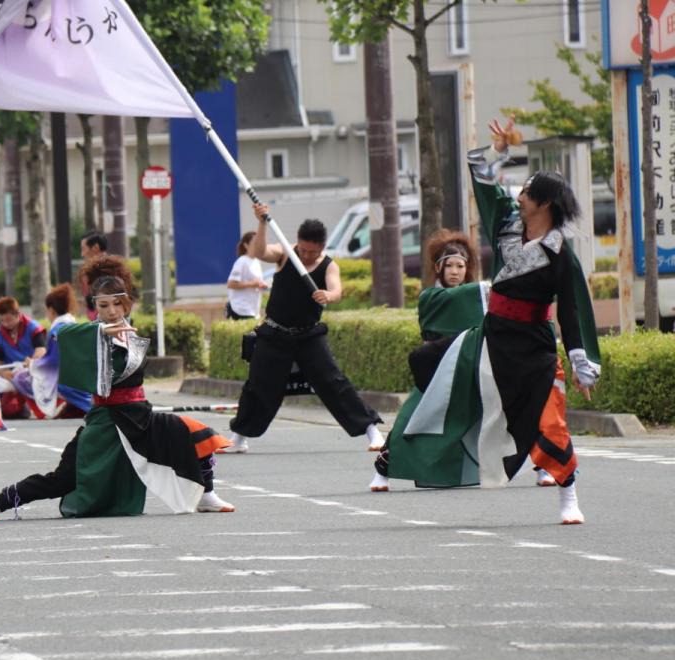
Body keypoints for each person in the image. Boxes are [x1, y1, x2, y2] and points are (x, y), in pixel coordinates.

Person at [379, 117, 600, 524]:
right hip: (491, 339)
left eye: (529, 192)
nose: (519, 195)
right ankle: (413, 455)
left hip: (533, 347)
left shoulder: (559, 254)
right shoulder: (505, 223)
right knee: (428, 367)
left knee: (548, 420)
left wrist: (580, 360)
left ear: (545, 204)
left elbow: (569, 310)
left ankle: (568, 493)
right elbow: (480, 177)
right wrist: (498, 150)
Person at [0, 256, 234, 521]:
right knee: (62, 479)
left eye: (117, 304)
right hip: (106, 422)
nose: (111, 311)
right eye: (104, 305)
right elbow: (63, 335)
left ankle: (206, 496)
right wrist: (100, 334)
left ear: (126, 304)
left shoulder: (130, 332)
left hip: (140, 418)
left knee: (195, 434)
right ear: (95, 307)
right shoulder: (92, 334)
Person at [223, 208, 384, 454]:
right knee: (258, 385)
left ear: (322, 247)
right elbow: (258, 252)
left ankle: (372, 430)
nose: (308, 255)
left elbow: (337, 291)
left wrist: (328, 295)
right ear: (298, 242)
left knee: (334, 382)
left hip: (308, 335)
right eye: (304, 250)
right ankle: (239, 437)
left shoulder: (329, 266)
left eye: (314, 251)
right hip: (274, 333)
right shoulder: (286, 254)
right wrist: (262, 224)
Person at [370, 230, 486, 491]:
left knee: (502, 414)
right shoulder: (431, 298)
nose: (455, 271)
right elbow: (452, 302)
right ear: (438, 268)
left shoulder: (475, 297)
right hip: (436, 371)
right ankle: (382, 472)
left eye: (461, 266)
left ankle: (544, 464)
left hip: (469, 369)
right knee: (409, 421)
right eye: (450, 266)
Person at [27, 283, 92, 419]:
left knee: (27, 378)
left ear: (51, 310)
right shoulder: (73, 325)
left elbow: (54, 362)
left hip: (67, 382)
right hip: (84, 378)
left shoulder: (57, 330)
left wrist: (33, 364)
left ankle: (48, 409)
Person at [0, 295, 47, 418]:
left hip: (32, 371)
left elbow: (41, 350)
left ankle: (40, 407)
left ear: (18, 314)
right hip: (10, 375)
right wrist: (5, 373)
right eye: (2, 320)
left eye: (8, 320)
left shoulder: (33, 327)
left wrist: (32, 361)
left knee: (25, 377)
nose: (5, 324)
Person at [225, 231, 268, 320]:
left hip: (253, 311)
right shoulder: (242, 261)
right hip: (241, 310)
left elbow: (255, 283)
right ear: (246, 245)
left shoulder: (256, 261)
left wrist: (261, 284)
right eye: (255, 243)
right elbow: (231, 284)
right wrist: (252, 284)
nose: (258, 245)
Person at [78, 230, 109, 321]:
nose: (82, 254)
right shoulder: (87, 271)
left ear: (95, 247)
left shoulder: (113, 270)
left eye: (83, 249)